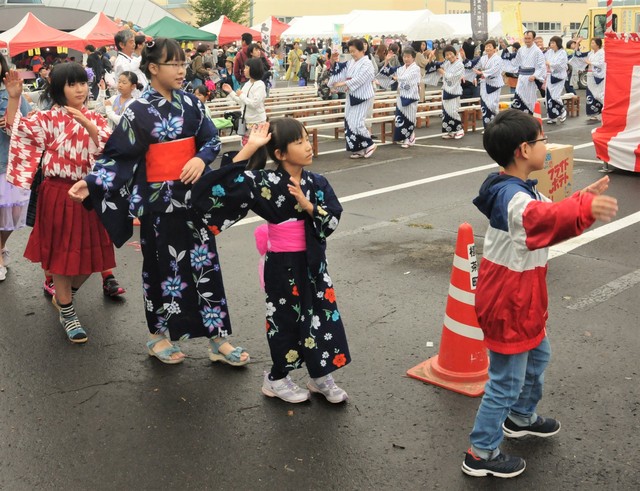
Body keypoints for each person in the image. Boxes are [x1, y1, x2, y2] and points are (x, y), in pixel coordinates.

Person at [68, 38, 250, 365]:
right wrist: (92, 181)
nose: (182, 70)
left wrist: (200, 158)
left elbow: (210, 139)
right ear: (153, 68)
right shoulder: (138, 111)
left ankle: (217, 338)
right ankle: (157, 336)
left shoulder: (192, 104)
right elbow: (119, 156)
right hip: (157, 204)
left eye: (183, 63)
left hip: (192, 199)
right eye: (174, 64)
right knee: (160, 269)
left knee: (205, 265)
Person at [462, 109, 618, 478]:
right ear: (522, 149)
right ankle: (480, 452)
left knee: (537, 358)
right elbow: (539, 221)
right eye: (542, 139)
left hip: (523, 294)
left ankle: (521, 417)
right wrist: (584, 210)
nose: (546, 145)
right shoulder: (512, 198)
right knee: (506, 380)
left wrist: (581, 198)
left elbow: (549, 210)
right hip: (509, 300)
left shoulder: (519, 188)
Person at [191, 119, 350, 404]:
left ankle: (320, 375)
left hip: (314, 265)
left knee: (321, 317)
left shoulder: (318, 183)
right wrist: (251, 147)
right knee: (284, 320)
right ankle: (276, 379)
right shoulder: (264, 182)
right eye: (299, 142)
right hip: (282, 266)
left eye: (306, 139)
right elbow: (221, 187)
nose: (308, 146)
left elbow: (333, 217)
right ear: (279, 154)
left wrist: (309, 206)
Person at [4, 63, 115, 343]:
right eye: (72, 84)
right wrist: (15, 98)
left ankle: (66, 297)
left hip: (89, 193)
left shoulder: (97, 118)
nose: (79, 89)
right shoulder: (46, 118)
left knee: (93, 258)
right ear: (58, 89)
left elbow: (111, 152)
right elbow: (14, 130)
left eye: (82, 83)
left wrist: (88, 124)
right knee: (62, 257)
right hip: (57, 192)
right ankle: (67, 310)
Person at [0, 54, 32, 282]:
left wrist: (14, 119)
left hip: (10, 164)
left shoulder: (12, 92)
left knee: (12, 212)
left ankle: (1, 247)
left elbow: (31, 123)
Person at [328, 38, 377, 159]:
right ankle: (358, 148)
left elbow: (360, 79)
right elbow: (340, 69)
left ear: (361, 50)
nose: (352, 54)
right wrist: (334, 61)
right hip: (351, 95)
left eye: (354, 51)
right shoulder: (351, 63)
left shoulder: (367, 63)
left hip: (363, 95)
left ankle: (370, 144)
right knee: (349, 122)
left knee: (358, 122)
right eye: (350, 51)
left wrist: (343, 84)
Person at [377, 47, 421, 148]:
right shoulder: (401, 68)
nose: (406, 59)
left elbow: (408, 77)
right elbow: (388, 71)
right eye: (404, 57)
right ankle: (407, 136)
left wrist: (397, 78)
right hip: (401, 95)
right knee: (400, 117)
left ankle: (408, 137)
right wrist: (387, 61)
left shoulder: (416, 68)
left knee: (409, 117)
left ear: (413, 58)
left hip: (411, 96)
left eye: (408, 57)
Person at [222, 57, 267, 147]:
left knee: (255, 147)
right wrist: (231, 92)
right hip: (246, 121)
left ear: (253, 69)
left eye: (246, 68)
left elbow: (254, 104)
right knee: (246, 146)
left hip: (257, 121)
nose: (244, 70)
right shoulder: (247, 84)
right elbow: (241, 101)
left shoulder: (260, 85)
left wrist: (241, 95)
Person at [501, 32, 546, 115]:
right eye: (526, 38)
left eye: (529, 38)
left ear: (533, 39)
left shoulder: (537, 51)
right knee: (518, 98)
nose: (527, 40)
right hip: (521, 78)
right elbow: (515, 62)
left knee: (529, 100)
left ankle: (529, 119)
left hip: (530, 79)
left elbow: (541, 66)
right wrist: (504, 49)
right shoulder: (521, 50)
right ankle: (519, 120)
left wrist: (535, 75)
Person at [426, 45, 465, 139]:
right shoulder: (446, 63)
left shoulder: (460, 64)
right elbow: (435, 66)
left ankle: (459, 130)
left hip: (454, 90)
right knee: (446, 112)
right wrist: (430, 58)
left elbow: (453, 77)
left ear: (455, 54)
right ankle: (450, 131)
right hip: (446, 89)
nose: (449, 56)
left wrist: (442, 72)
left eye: (451, 54)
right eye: (446, 55)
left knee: (453, 110)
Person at [574, 37, 605, 122]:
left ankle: (606, 110)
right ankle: (594, 113)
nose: (591, 44)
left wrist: (590, 63)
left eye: (593, 43)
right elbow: (579, 55)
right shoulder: (590, 53)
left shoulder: (602, 53)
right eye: (591, 43)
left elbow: (601, 64)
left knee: (599, 95)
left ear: (598, 45)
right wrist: (577, 44)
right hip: (590, 75)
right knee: (591, 94)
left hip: (599, 76)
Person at [474, 40, 504, 126]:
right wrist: (475, 70)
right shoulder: (483, 58)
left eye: (490, 46)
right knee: (484, 105)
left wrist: (483, 73)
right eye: (486, 46)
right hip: (484, 83)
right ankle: (487, 127)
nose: (487, 48)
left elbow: (495, 69)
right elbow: (476, 66)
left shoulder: (498, 59)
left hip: (494, 83)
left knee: (492, 105)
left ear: (495, 49)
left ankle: (495, 126)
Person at [544, 36, 568, 124]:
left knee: (555, 96)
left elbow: (560, 65)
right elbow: (543, 58)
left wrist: (550, 63)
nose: (551, 44)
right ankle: (552, 117)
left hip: (559, 77)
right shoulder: (549, 52)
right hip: (550, 75)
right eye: (551, 42)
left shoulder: (562, 53)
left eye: (553, 43)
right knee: (548, 96)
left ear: (558, 43)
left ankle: (562, 110)